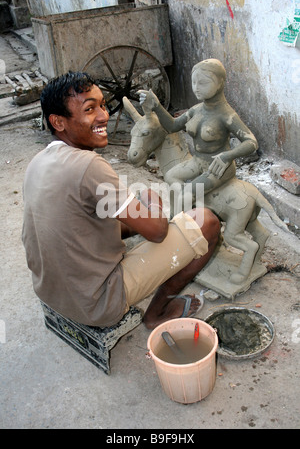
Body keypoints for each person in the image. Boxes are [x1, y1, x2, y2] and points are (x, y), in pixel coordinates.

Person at [22, 71, 220, 331]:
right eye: (90, 109)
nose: (104, 115)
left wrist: (142, 212)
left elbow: (83, 222)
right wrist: (154, 203)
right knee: (206, 222)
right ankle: (156, 314)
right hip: (97, 304)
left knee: (132, 213)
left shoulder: (38, 161)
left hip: (51, 292)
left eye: (102, 105)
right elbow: (158, 233)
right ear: (59, 122)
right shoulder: (90, 165)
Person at [139, 58, 258, 212]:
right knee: (170, 176)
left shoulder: (226, 115)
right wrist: (156, 105)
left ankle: (185, 219)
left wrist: (228, 156)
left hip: (218, 168)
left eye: (203, 83)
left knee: (186, 195)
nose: (196, 88)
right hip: (198, 161)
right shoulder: (196, 110)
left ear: (220, 83)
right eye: (194, 82)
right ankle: (181, 216)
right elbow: (172, 126)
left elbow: (251, 142)